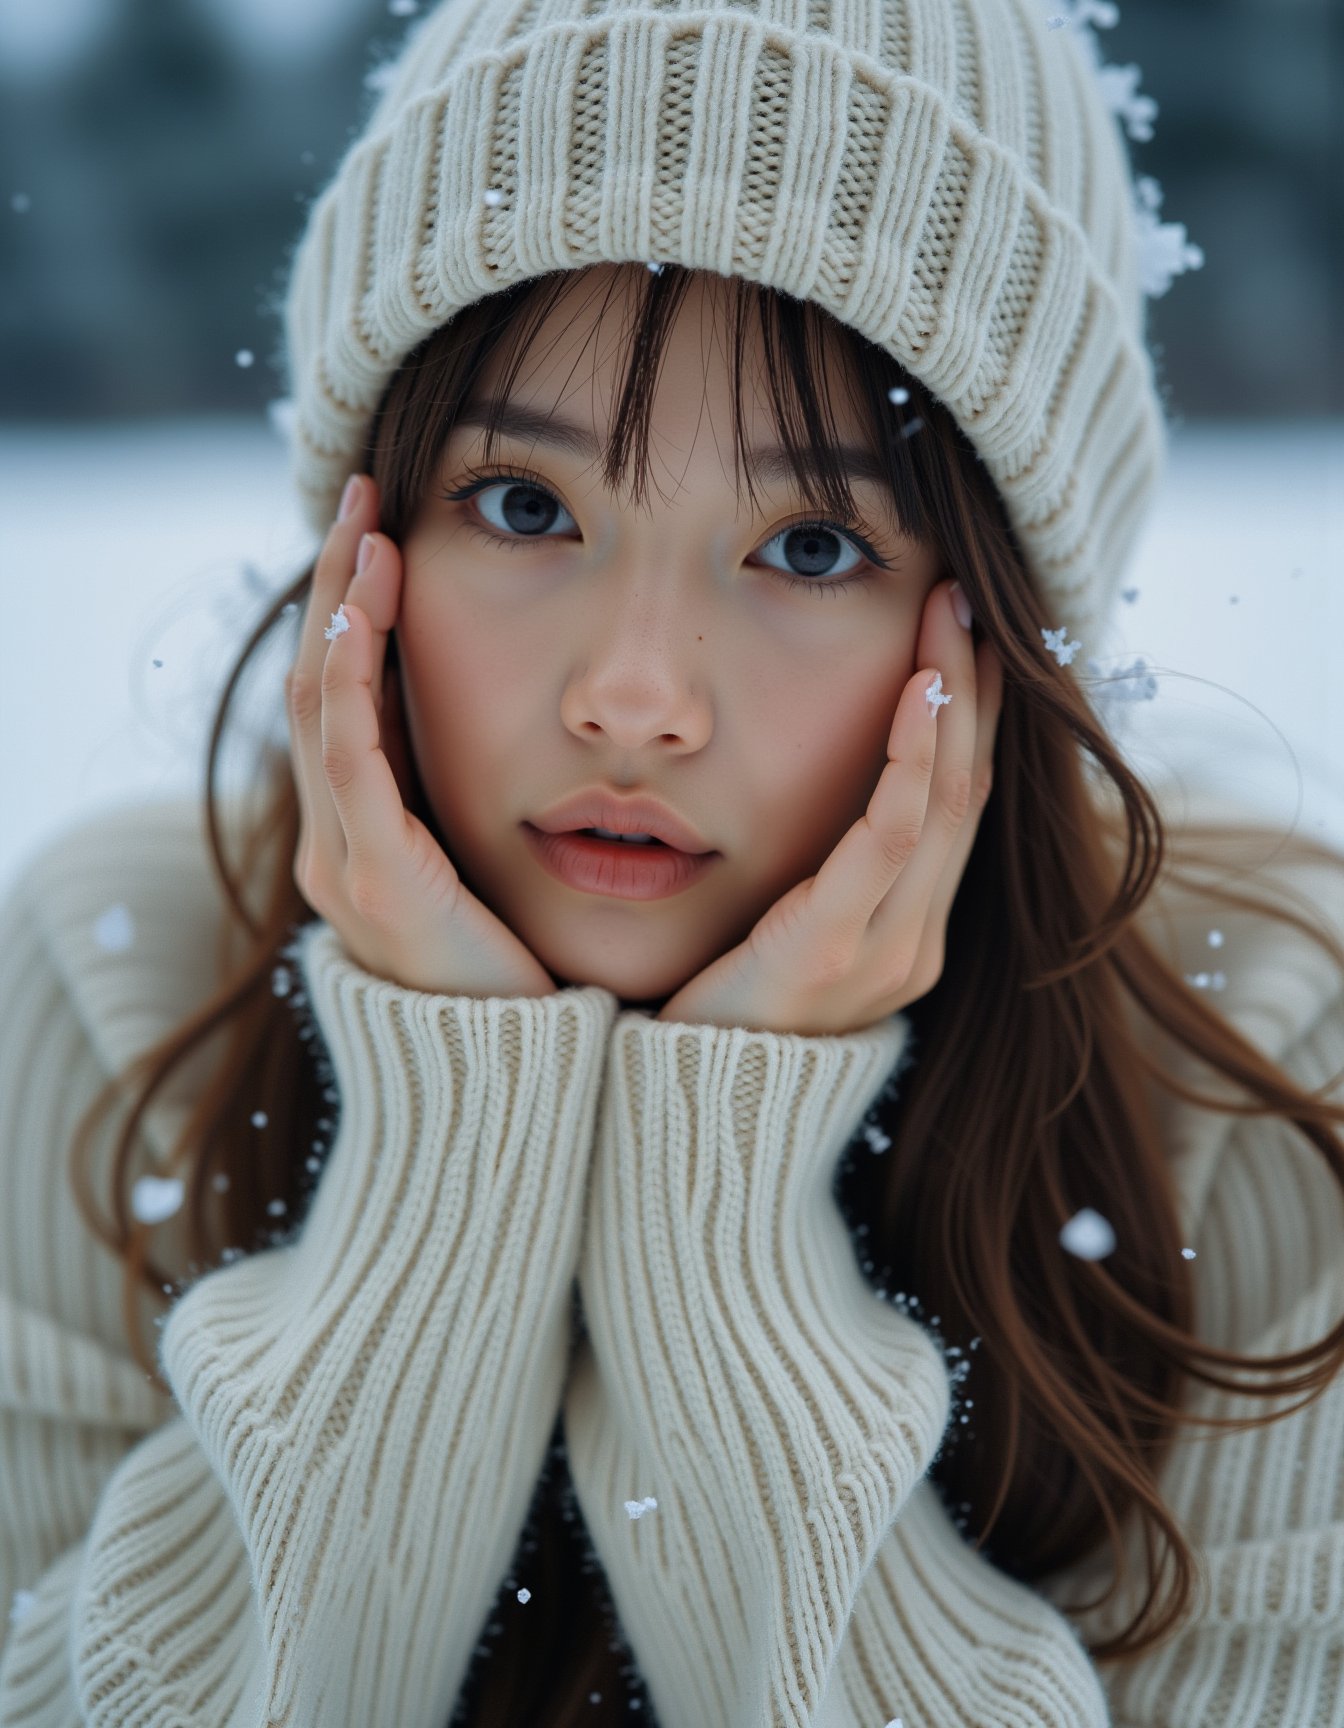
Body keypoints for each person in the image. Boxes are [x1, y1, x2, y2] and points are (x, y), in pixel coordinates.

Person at [1, 0, 1341, 1721]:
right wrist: (448, 1138)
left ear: (996, 625)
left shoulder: (1259, 1062)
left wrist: (718, 1201)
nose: (633, 700)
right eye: (526, 507)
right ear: (370, 534)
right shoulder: (120, 982)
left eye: (808, 542)